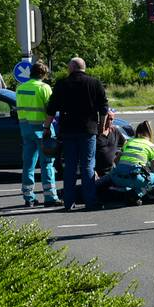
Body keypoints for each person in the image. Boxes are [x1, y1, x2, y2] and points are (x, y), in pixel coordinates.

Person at [43, 57, 108, 212]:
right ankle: (90, 201)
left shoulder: (61, 84)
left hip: (68, 130)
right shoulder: (95, 83)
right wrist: (101, 126)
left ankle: (68, 202)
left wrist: (46, 127)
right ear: (84, 67)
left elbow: (51, 109)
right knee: (88, 165)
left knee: (70, 167)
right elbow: (104, 108)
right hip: (88, 130)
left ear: (70, 68)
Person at [15, 61, 60, 207]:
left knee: (28, 164)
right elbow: (51, 109)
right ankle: (50, 197)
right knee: (46, 163)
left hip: (26, 129)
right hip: (42, 129)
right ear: (43, 74)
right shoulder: (44, 88)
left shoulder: (20, 88)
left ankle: (28, 197)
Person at [101, 120, 154, 206]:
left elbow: (116, 160)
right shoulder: (151, 146)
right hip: (135, 178)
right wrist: (151, 174)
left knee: (127, 175)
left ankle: (120, 189)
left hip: (117, 177)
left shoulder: (128, 142)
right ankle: (137, 194)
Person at [94, 112, 126, 178]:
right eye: (108, 119)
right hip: (97, 172)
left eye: (111, 119)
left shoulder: (115, 131)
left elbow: (125, 143)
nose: (110, 121)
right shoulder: (95, 133)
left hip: (113, 171)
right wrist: (93, 171)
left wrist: (120, 155)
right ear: (102, 119)